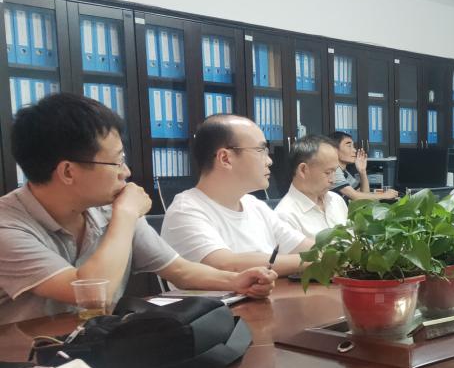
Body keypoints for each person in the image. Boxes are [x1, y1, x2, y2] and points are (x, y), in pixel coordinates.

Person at [0, 94, 275, 324]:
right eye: (116, 162)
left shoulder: (110, 208)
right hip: (23, 362)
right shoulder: (8, 226)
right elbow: (94, 292)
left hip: (94, 347)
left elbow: (181, 271)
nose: (126, 172)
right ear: (68, 172)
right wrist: (126, 216)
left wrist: (236, 281)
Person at [162, 115, 313, 275]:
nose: (269, 161)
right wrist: (314, 260)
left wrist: (328, 252)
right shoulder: (185, 211)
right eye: (261, 150)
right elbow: (226, 265)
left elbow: (304, 246)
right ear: (225, 158)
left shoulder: (254, 205)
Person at [274, 135, 348, 238]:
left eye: (334, 172)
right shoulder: (285, 217)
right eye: (328, 172)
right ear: (303, 170)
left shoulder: (336, 200)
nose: (333, 180)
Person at [329, 132, 400, 201]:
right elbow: (355, 196)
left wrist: (362, 171)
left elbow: (364, 197)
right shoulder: (333, 170)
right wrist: (385, 195)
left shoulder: (345, 173)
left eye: (353, 146)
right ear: (334, 149)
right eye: (349, 146)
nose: (354, 150)